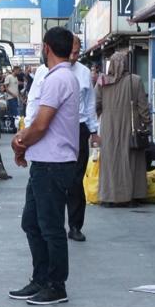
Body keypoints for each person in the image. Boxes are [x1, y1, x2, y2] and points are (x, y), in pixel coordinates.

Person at [9, 27, 79, 305]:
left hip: (54, 163)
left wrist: (19, 142)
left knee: (50, 227)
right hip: (45, 162)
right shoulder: (58, 76)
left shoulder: (58, 78)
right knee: (32, 223)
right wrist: (25, 145)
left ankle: (56, 285)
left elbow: (40, 125)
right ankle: (40, 279)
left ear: (47, 48)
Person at [95, 51, 150, 207]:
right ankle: (131, 196)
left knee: (110, 160)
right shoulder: (135, 80)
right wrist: (147, 123)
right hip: (131, 126)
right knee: (131, 160)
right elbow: (143, 107)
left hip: (109, 127)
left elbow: (96, 105)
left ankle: (109, 196)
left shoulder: (102, 81)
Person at [66, 36, 99, 242]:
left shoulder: (84, 72)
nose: (73, 56)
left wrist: (94, 130)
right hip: (54, 129)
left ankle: (75, 225)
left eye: (77, 52)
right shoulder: (46, 71)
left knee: (76, 179)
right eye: (70, 51)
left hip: (79, 128)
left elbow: (89, 103)